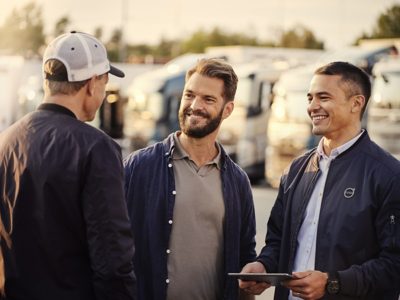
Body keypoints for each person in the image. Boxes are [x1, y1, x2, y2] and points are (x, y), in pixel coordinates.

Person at [240, 61, 400, 299]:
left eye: (323, 97)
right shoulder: (297, 170)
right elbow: (277, 240)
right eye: (310, 98)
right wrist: (263, 267)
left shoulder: (388, 174)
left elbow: (394, 265)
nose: (313, 106)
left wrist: (331, 283)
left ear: (356, 103)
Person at [0, 31, 136, 300]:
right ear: (91, 84)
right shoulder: (96, 148)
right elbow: (112, 257)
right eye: (105, 83)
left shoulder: (6, 141)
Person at [124, 58, 257, 300]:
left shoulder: (238, 182)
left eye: (208, 99)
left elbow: (245, 257)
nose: (194, 105)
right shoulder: (139, 167)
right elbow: (111, 245)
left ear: (228, 109)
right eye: (189, 95)